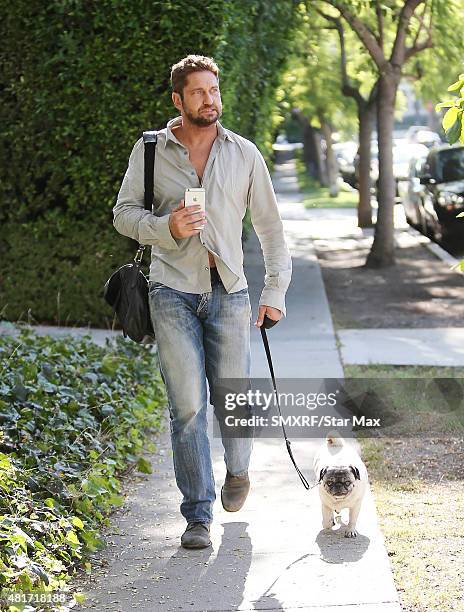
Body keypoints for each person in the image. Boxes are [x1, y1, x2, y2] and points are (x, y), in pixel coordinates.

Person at [113, 54, 292, 549]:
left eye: (213, 91)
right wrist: (164, 228)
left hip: (229, 293)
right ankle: (197, 515)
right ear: (178, 99)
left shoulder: (244, 154)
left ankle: (238, 470)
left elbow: (270, 228)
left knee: (231, 401)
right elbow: (123, 214)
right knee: (188, 406)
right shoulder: (151, 151)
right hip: (170, 291)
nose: (209, 99)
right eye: (198, 92)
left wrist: (274, 291)